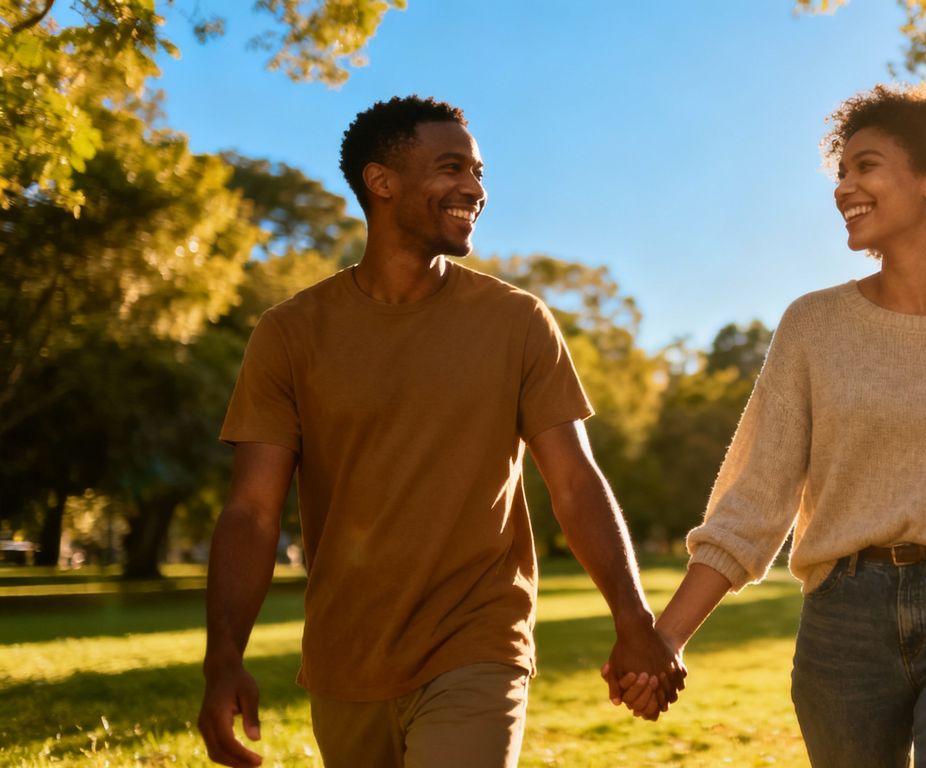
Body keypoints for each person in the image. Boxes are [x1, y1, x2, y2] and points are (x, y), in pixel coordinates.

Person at [607, 82, 926, 767]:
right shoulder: (813, 325)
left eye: (866, 166)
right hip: (843, 623)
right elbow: (754, 502)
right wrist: (664, 640)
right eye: (840, 172)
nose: (844, 187)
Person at [197, 95, 684, 768]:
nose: (476, 189)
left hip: (479, 639)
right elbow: (252, 511)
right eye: (452, 167)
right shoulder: (290, 334)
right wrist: (223, 659)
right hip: (347, 658)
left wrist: (635, 620)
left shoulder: (517, 323)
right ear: (382, 182)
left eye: (479, 172)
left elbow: (574, 480)